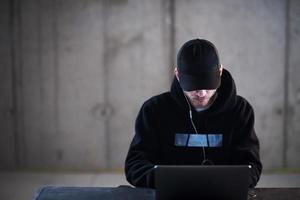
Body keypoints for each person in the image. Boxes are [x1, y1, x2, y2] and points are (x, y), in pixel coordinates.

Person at [124, 38, 262, 189]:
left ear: (220, 72)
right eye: (194, 87)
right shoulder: (154, 110)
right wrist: (164, 180)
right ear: (177, 75)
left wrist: (228, 183)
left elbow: (251, 166)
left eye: (208, 86)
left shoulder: (240, 111)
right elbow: (135, 164)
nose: (202, 93)